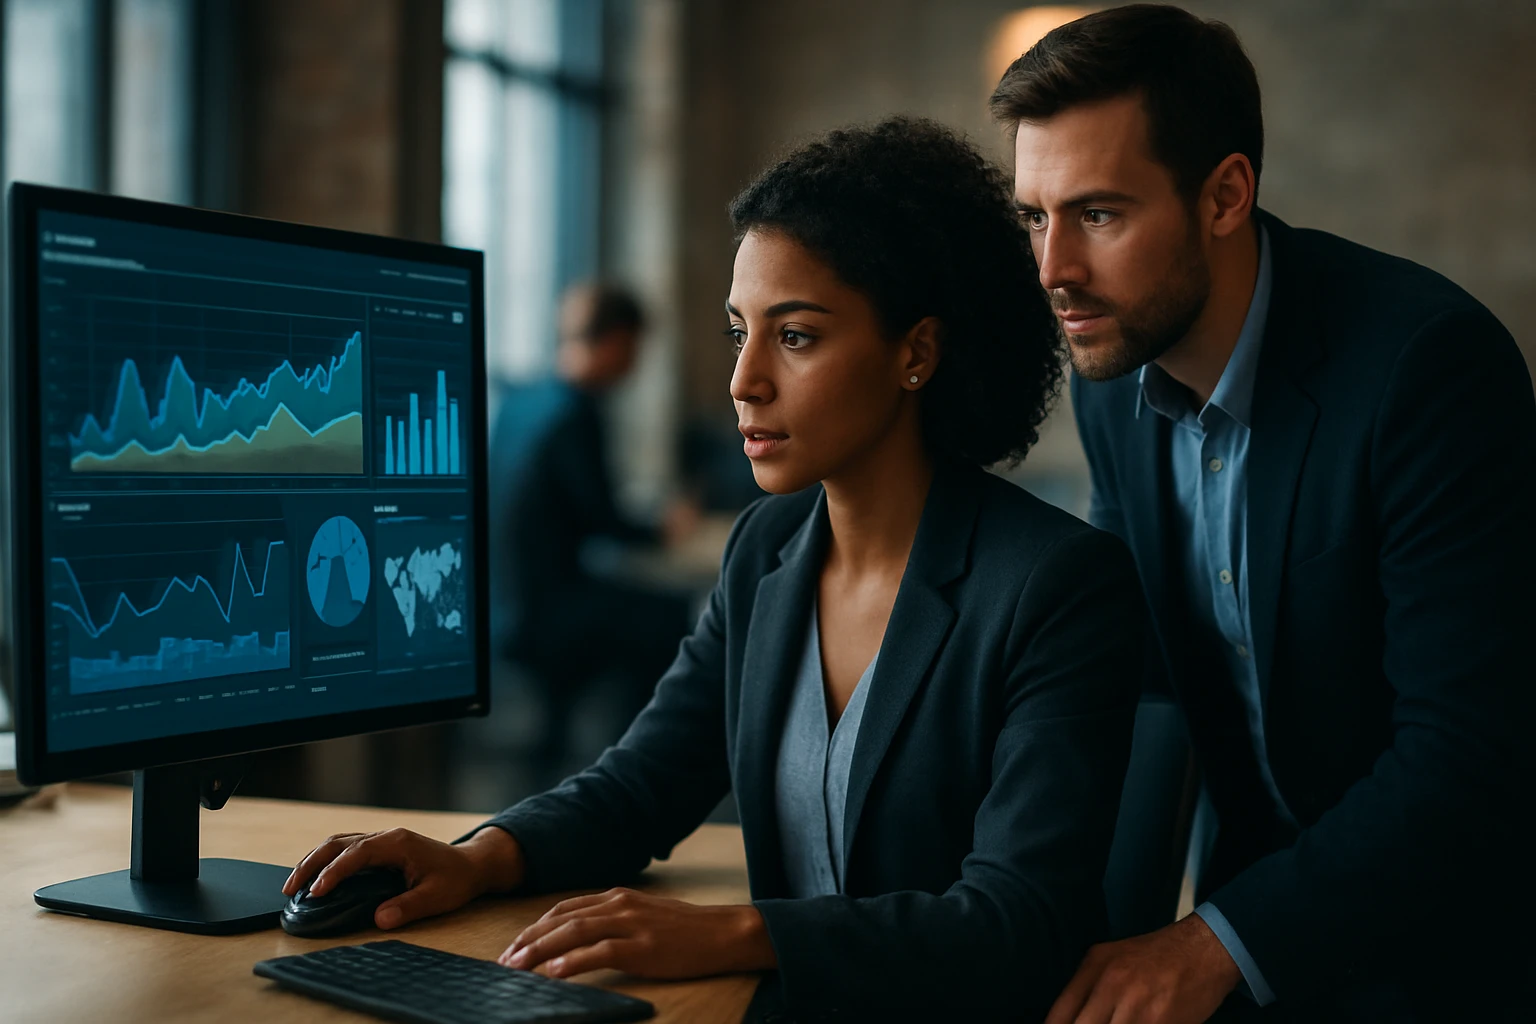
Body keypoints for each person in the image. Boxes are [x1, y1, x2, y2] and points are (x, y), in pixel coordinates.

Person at [283, 118, 1146, 1019]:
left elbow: (1017, 921)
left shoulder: (1058, 584)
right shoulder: (766, 549)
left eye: (797, 336)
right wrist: (478, 856)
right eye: (740, 331)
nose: (744, 379)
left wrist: (739, 931)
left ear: (916, 352)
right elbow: (641, 784)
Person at [989, 6, 1536, 1022]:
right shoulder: (1114, 376)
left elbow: (1465, 756)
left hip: (1456, 943)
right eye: (1035, 214)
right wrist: (1090, 934)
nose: (1053, 269)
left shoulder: (1427, 369)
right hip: (1255, 920)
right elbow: (1143, 673)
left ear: (1226, 195)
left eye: (1098, 214)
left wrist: (1207, 948)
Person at [487, 282, 695, 784]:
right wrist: (663, 527)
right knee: (669, 617)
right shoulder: (576, 414)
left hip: (499, 601)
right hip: (542, 614)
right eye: (636, 348)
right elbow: (605, 525)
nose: (636, 363)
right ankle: (635, 771)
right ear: (618, 340)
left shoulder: (525, 400)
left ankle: (564, 743)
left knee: (627, 604)